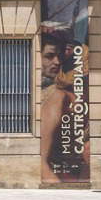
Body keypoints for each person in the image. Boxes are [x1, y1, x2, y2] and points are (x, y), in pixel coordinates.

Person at [39, 21, 81, 179]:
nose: (57, 61)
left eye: (59, 56)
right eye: (49, 56)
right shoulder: (47, 92)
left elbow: (41, 160)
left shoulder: (57, 95)